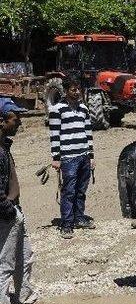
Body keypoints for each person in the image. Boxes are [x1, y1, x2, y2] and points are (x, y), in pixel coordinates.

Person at [1, 98, 56, 304]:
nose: (20, 123)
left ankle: (25, 298)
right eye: (16, 118)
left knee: (24, 255)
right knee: (5, 262)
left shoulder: (4, 145)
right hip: (5, 213)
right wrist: (8, 209)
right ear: (1, 121)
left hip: (13, 210)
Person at [49, 76, 96, 239]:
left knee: (81, 190)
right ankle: (67, 224)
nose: (77, 92)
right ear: (66, 90)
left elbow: (88, 133)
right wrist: (56, 158)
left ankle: (79, 218)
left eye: (78, 89)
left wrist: (91, 156)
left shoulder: (84, 108)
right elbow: (54, 135)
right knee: (69, 191)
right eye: (73, 89)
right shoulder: (57, 109)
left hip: (83, 155)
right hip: (68, 158)